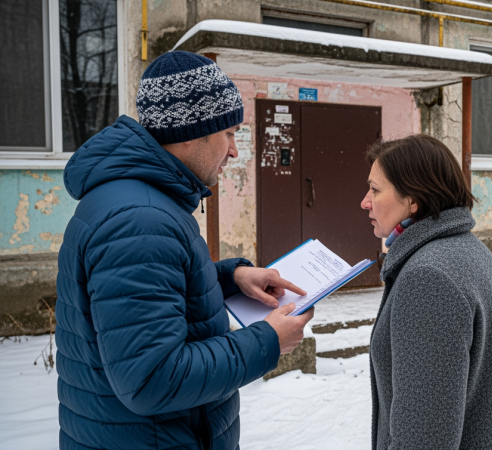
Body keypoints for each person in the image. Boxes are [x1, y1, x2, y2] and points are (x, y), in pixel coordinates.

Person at [55, 51, 313, 450]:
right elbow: (152, 379)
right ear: (191, 133)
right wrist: (267, 341)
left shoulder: (138, 200)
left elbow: (153, 291)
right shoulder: (140, 220)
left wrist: (228, 277)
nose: (234, 151)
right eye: (227, 133)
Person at [361, 134, 492, 449]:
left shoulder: (428, 279)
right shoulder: (468, 250)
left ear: (413, 199)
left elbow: (424, 439)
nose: (365, 201)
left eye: (375, 190)